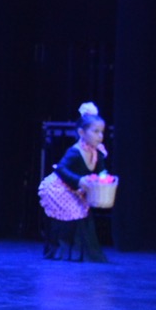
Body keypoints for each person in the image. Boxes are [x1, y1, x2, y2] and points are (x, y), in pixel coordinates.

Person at [38, 101, 111, 262]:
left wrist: (104, 179)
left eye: (102, 132)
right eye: (96, 131)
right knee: (72, 215)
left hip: (75, 188)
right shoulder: (75, 151)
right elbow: (61, 169)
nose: (100, 136)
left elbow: (101, 170)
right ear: (81, 132)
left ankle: (82, 253)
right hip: (60, 188)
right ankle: (62, 251)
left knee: (82, 213)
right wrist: (79, 181)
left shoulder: (97, 152)